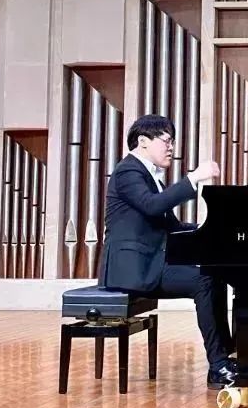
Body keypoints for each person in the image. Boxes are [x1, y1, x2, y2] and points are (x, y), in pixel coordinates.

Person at [99, 114, 236, 389]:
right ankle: (218, 366)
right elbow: (152, 206)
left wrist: (212, 230)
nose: (171, 147)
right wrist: (194, 178)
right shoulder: (128, 172)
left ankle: (225, 357)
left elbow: (172, 227)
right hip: (134, 270)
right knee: (204, 279)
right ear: (143, 141)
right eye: (166, 140)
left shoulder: (149, 177)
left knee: (215, 273)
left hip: (152, 262)